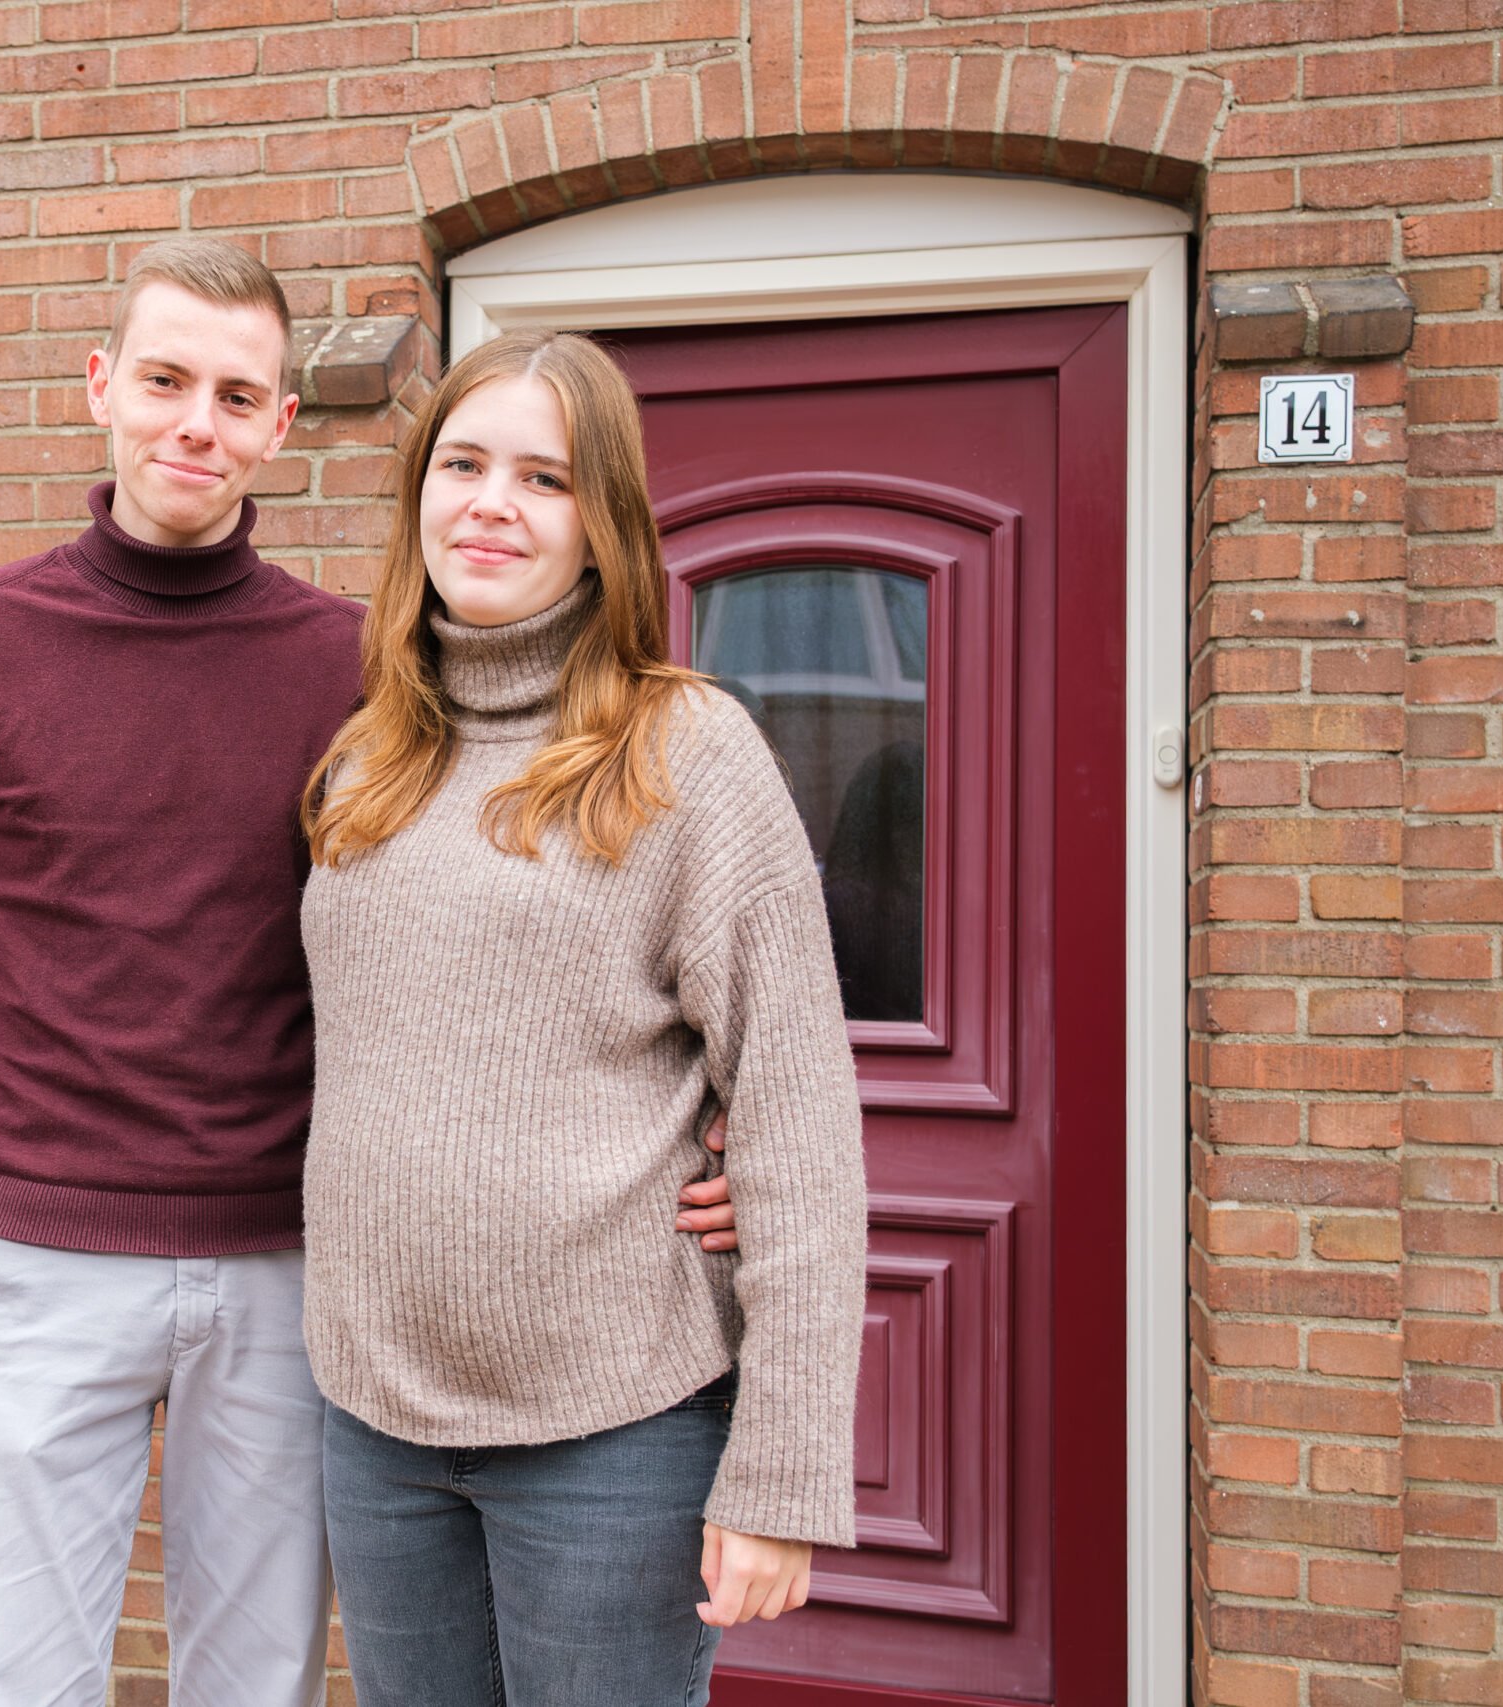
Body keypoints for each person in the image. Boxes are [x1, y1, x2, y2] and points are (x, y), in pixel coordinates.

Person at [0, 243, 745, 1707]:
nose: (196, 423)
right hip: (42, 1256)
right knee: (5, 1682)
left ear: (279, 425)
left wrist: (712, 1134)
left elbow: (503, 936)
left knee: (257, 1686)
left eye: (236, 395)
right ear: (101, 387)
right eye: (165, 381)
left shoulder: (363, 667)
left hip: (290, 1270)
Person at [299, 329, 869, 1705]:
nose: (491, 505)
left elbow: (799, 1122)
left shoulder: (688, 753)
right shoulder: (370, 754)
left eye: (543, 478)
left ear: (602, 522)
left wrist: (783, 1470)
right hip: (377, 1426)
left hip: (614, 1437)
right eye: (463, 465)